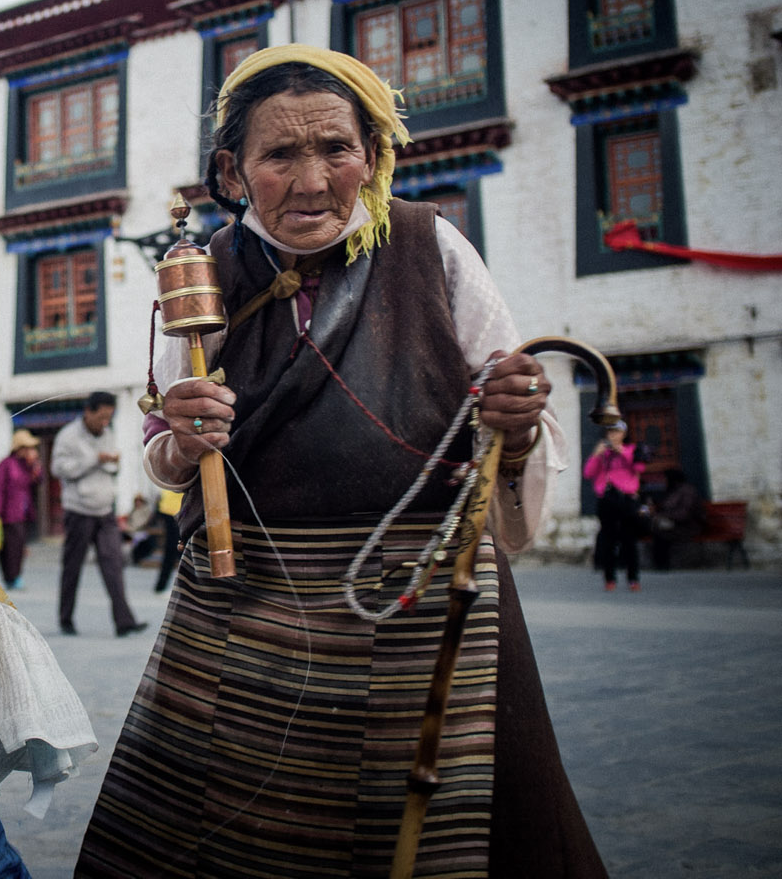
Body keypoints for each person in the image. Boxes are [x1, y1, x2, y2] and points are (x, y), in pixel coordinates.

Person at [76, 45, 606, 878]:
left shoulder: (433, 247)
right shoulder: (201, 271)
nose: (312, 180)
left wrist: (518, 420)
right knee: (231, 832)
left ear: (372, 156)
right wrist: (182, 433)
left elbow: (508, 409)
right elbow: (166, 450)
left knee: (466, 831)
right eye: (279, 154)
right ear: (234, 169)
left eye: (336, 149)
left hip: (429, 594)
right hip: (248, 596)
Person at [51, 392, 146, 638]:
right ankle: (66, 619)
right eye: (101, 417)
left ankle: (124, 622)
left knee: (113, 564)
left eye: (109, 417)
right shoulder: (68, 436)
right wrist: (94, 459)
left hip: (105, 511)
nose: (105, 422)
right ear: (88, 412)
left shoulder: (108, 434)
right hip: (78, 511)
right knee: (72, 567)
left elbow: (113, 468)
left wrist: (113, 462)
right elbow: (59, 468)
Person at [583, 419, 646, 590]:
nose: (613, 435)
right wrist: (596, 454)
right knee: (607, 540)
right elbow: (588, 473)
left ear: (624, 433)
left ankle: (633, 579)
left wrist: (622, 452)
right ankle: (609, 578)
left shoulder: (632, 449)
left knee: (629, 540)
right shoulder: (603, 453)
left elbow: (639, 468)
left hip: (626, 498)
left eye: (617, 431)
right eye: (610, 432)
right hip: (607, 498)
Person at [0, 428, 42, 590]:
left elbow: (38, 482)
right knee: (9, 548)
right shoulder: (6, 464)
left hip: (23, 512)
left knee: (19, 547)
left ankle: (15, 576)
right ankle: (11, 577)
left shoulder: (27, 466)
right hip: (8, 513)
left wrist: (34, 467)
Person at [652, 466, 704, 570]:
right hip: (676, 525)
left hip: (687, 527)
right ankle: (661, 564)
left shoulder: (687, 491)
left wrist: (663, 515)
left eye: (665, 479)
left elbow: (684, 514)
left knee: (659, 532)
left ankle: (662, 565)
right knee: (654, 528)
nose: (663, 482)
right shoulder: (674, 491)